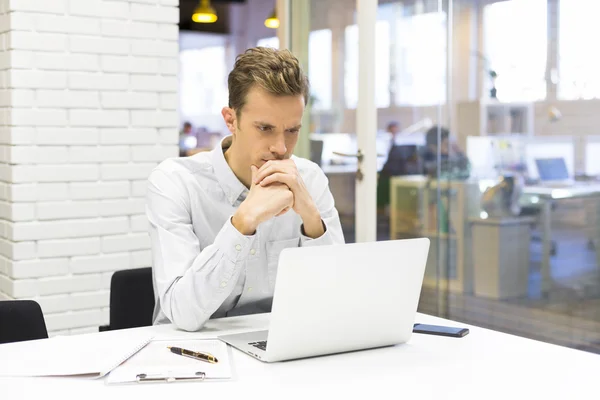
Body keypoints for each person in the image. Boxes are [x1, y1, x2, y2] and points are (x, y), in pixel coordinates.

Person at [146, 47, 345, 331]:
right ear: (231, 120)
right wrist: (243, 222)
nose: (280, 148)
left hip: (280, 349)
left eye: (292, 130)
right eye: (265, 128)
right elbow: (184, 313)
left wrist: (312, 220)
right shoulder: (174, 182)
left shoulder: (309, 178)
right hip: (193, 352)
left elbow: (337, 299)